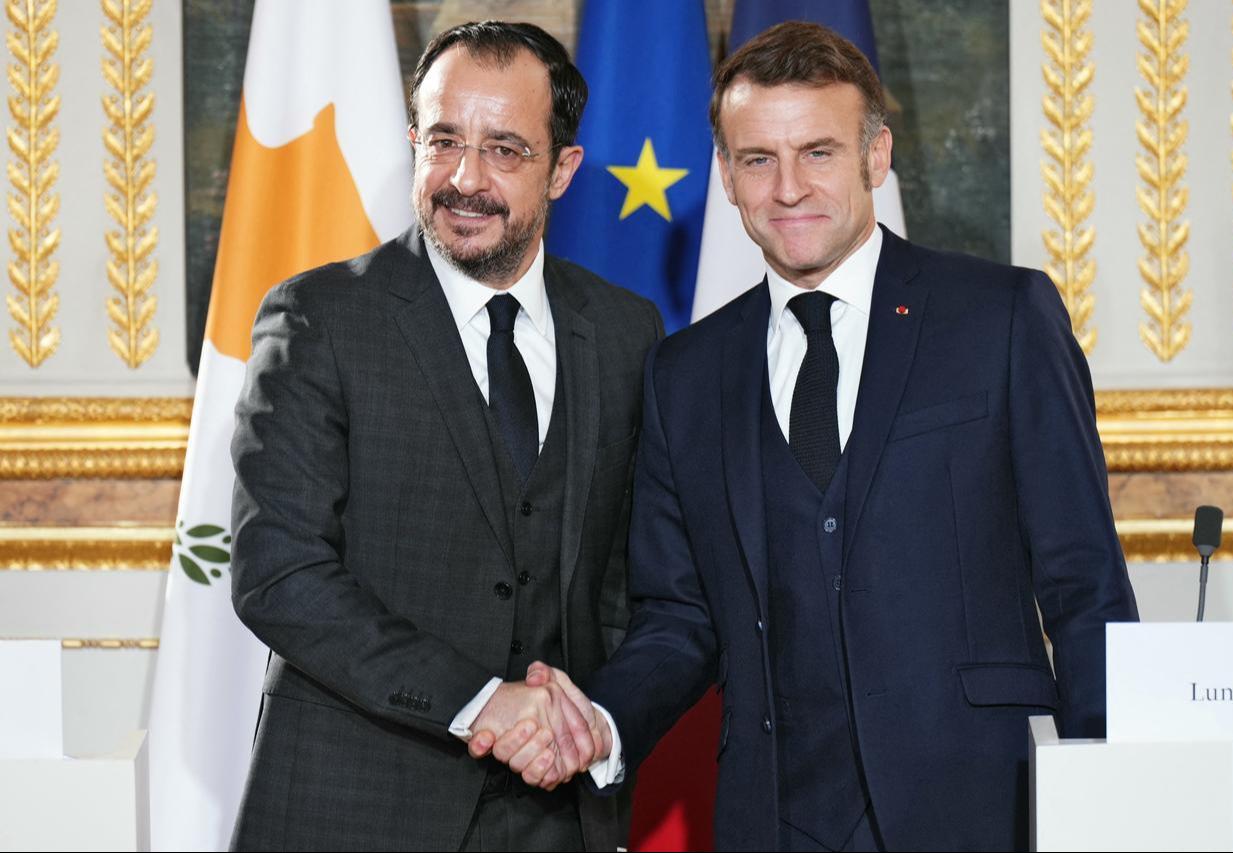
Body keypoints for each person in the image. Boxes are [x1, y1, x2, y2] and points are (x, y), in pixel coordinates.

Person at [482, 20, 1139, 852]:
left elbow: (1086, 587)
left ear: (876, 156)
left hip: (980, 804)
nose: (789, 188)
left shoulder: (1003, 319)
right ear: (726, 176)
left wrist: (1116, 801)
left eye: (818, 152)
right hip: (774, 817)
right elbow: (679, 617)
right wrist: (601, 722)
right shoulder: (685, 373)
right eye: (759, 159)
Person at [227, 20, 662, 852]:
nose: (466, 179)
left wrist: (585, 721)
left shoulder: (623, 331)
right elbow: (280, 571)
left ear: (562, 169)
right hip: (353, 809)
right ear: (413, 144)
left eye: (505, 150)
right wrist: (482, 702)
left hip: (559, 811)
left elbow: (626, 578)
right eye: (444, 141)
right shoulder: (318, 318)